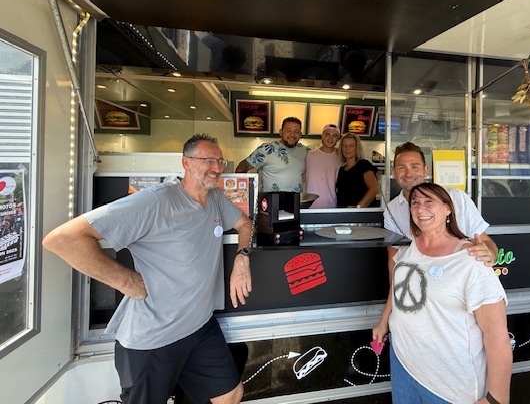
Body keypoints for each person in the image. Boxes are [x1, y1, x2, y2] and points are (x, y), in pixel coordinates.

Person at [42, 134, 253, 404]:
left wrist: (242, 258)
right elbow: (63, 239)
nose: (216, 167)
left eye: (219, 161)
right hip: (154, 336)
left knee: (230, 395)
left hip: (199, 326)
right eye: (207, 160)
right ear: (186, 163)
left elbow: (245, 224)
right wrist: (125, 281)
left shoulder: (214, 199)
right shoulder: (155, 201)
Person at [373, 182, 512, 404]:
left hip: (449, 383)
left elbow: (496, 334)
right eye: (415, 203)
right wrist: (384, 321)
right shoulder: (408, 247)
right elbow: (399, 289)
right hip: (403, 363)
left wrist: (497, 398)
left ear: (448, 208)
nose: (421, 208)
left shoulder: (471, 260)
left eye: (429, 202)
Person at [384, 142, 498, 264]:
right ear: (394, 172)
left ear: (425, 170)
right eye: (402, 168)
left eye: (415, 167)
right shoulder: (392, 210)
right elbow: (394, 257)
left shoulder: (456, 197)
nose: (408, 174)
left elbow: (486, 243)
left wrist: (489, 253)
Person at [236, 117, 308, 192]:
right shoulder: (266, 149)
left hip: (296, 199)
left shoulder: (305, 151)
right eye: (288, 130)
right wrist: (242, 193)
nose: (292, 134)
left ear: (300, 134)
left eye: (296, 131)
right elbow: (241, 168)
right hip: (271, 198)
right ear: (281, 132)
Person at [336, 132, 378, 208]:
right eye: (344, 146)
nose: (347, 148)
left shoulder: (364, 165)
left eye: (351, 145)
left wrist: (358, 207)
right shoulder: (341, 170)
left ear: (357, 148)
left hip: (360, 213)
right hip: (343, 212)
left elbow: (374, 189)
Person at [304, 123, 342, 208]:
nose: (330, 138)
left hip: (332, 206)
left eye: (334, 136)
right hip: (310, 206)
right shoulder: (309, 155)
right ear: (322, 136)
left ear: (338, 139)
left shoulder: (341, 158)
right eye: (327, 134)